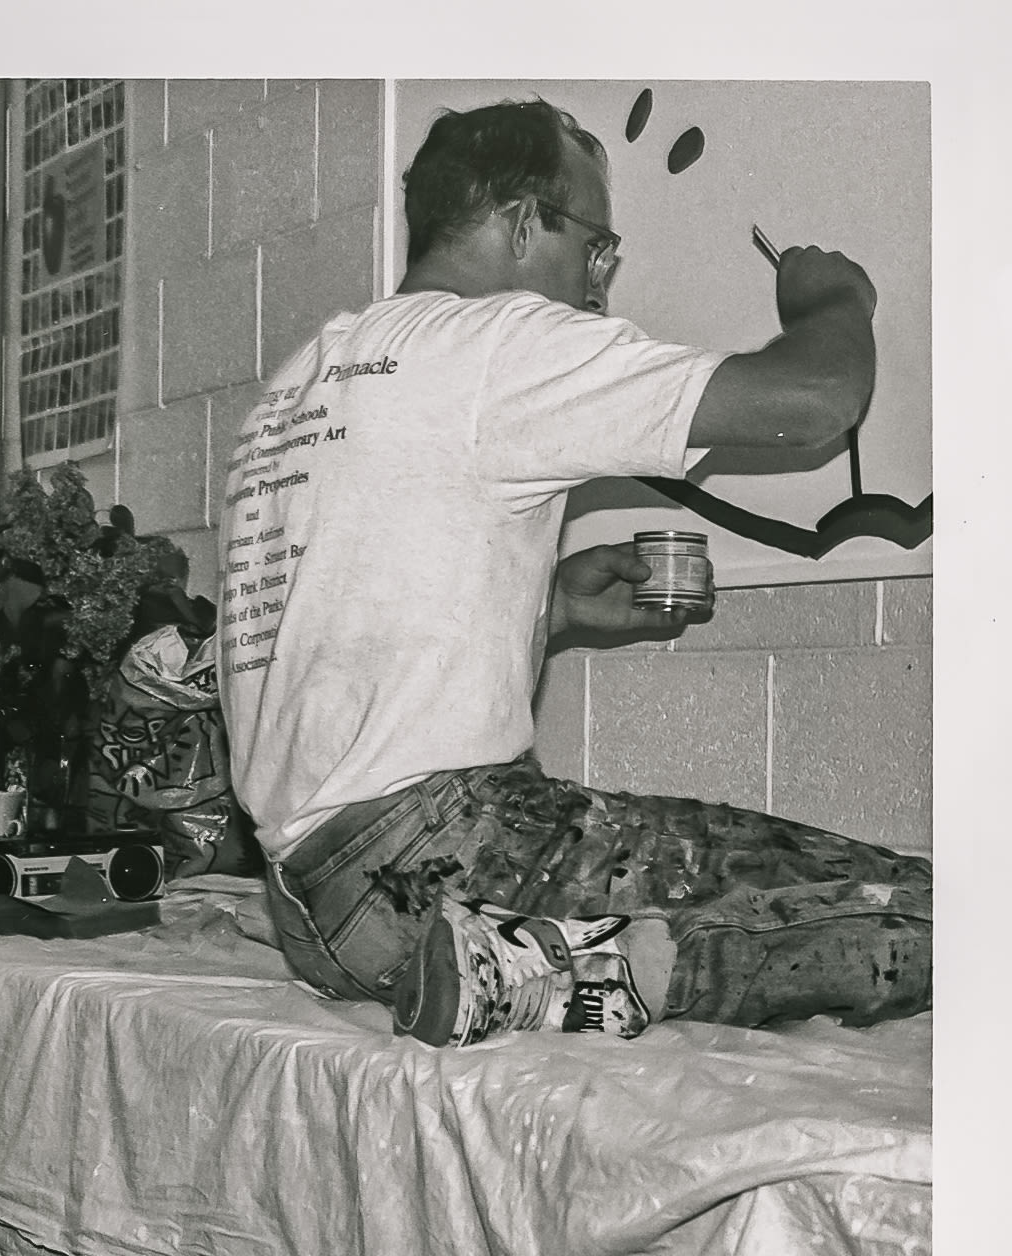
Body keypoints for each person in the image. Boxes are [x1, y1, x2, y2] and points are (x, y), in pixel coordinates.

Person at [217, 97, 931, 1046]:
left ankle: (511, 967)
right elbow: (809, 403)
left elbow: (336, 634)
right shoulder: (493, 342)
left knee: (809, 881)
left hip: (319, 908)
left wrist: (546, 607)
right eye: (595, 248)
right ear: (521, 224)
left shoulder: (304, 383)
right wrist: (830, 301)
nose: (597, 287)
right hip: (448, 857)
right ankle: (541, 965)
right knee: (924, 914)